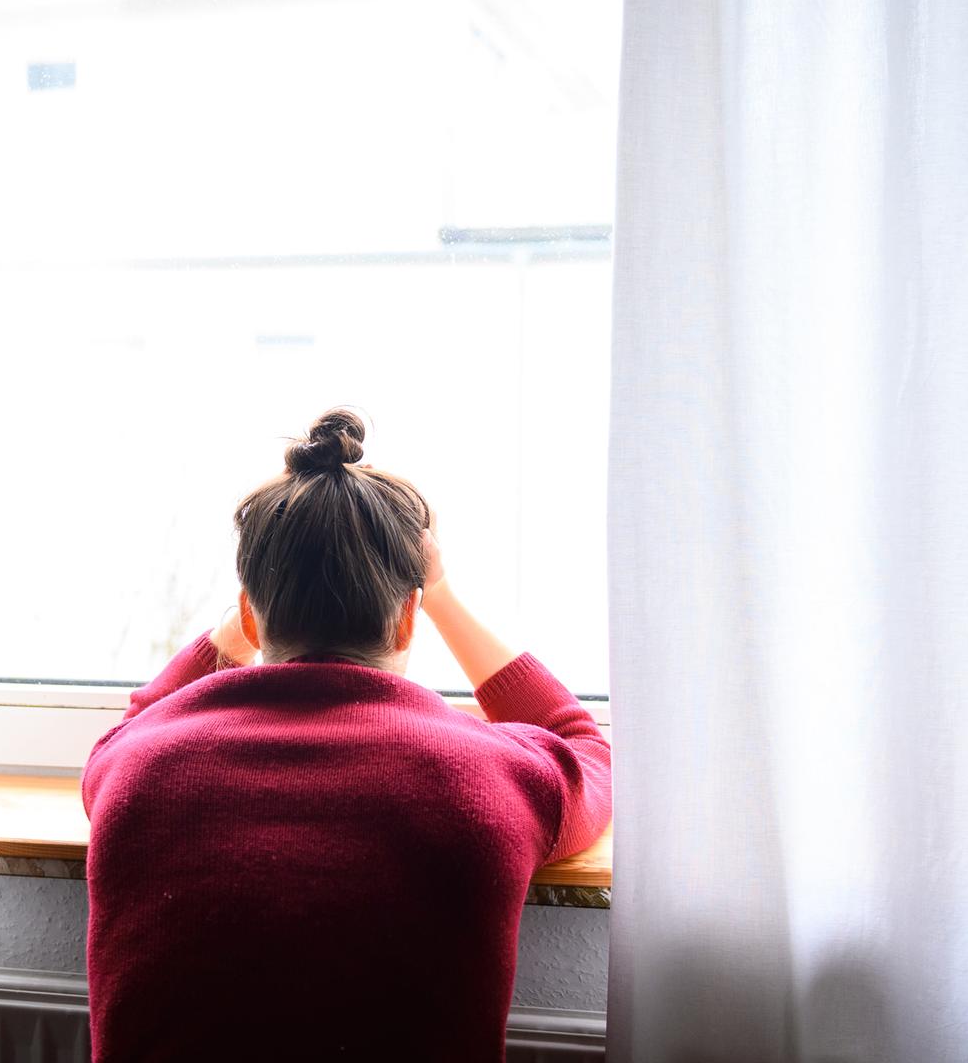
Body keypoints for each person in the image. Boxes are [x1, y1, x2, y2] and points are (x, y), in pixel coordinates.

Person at [80, 407, 613, 1061]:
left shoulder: (136, 767)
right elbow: (581, 744)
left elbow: (141, 717)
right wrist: (438, 592)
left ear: (249, 614)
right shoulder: (490, 779)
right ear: (406, 623)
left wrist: (250, 615)